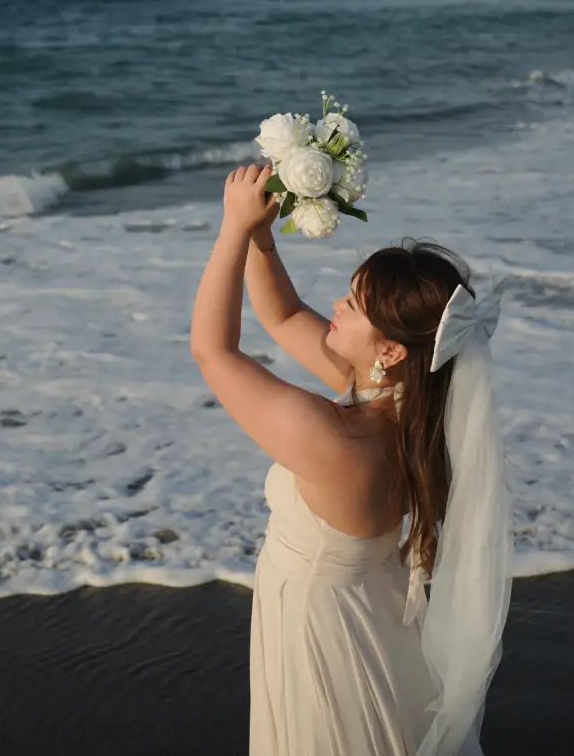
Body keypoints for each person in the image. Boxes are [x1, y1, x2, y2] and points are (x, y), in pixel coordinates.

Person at [190, 163, 513, 756]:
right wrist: (262, 238)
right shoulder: (412, 410)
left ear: (390, 349)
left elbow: (213, 352)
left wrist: (232, 228)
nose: (338, 303)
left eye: (356, 305)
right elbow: (284, 316)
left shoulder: (334, 438)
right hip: (367, 613)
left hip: (321, 631)